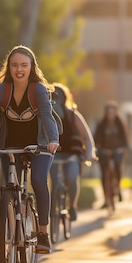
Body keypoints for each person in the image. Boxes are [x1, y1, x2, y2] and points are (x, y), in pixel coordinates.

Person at [0, 45, 60, 254]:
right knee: (9, 187)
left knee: (37, 180)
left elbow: (47, 116)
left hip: (39, 146)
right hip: (9, 146)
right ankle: (12, 229)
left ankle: (43, 233)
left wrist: (53, 140)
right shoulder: (2, 90)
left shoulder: (38, 90)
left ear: (31, 67)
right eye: (14, 65)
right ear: (8, 67)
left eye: (24, 65)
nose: (19, 70)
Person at [50, 83, 97, 222]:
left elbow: (86, 136)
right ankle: (53, 210)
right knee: (54, 183)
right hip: (53, 155)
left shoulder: (72, 115)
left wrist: (90, 153)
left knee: (71, 178)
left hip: (72, 155)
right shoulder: (46, 115)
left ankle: (72, 206)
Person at [94, 102, 129, 210]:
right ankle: (106, 199)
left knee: (117, 167)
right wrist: (98, 147)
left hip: (117, 150)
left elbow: (124, 138)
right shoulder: (101, 125)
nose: (110, 114)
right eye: (108, 112)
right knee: (104, 173)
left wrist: (124, 147)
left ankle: (117, 188)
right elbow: (97, 138)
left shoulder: (120, 124)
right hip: (105, 151)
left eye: (112, 112)